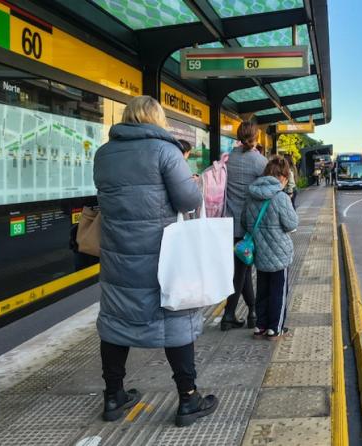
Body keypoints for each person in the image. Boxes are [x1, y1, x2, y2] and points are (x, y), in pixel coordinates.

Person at [93, 95, 217, 427]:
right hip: (162, 254)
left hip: (118, 254)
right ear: (156, 118)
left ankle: (113, 396)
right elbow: (188, 199)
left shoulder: (104, 154)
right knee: (174, 322)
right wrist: (194, 183)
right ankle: (188, 400)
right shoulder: (166, 151)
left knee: (116, 321)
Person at [242, 156, 298, 340]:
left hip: (260, 252)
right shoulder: (281, 197)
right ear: (282, 177)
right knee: (279, 291)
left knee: (263, 290)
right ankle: (275, 327)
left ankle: (260, 326)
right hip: (279, 253)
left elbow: (244, 222)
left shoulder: (251, 195)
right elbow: (291, 224)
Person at [223, 121, 268, 331]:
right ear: (256, 137)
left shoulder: (229, 158)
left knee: (243, 267)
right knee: (241, 271)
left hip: (228, 223)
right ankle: (228, 315)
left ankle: (252, 312)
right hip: (250, 225)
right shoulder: (260, 162)